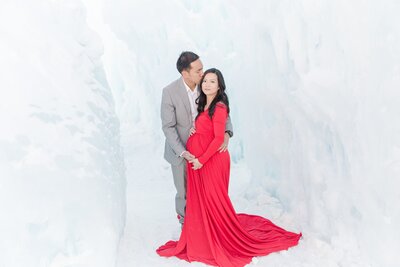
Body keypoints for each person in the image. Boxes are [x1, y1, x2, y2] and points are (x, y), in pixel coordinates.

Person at [157, 68, 302, 267]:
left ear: (219, 86)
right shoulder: (204, 103)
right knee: (204, 201)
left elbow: (218, 138)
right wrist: (195, 129)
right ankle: (206, 232)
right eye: (205, 81)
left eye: (212, 82)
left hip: (210, 162)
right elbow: (205, 127)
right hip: (198, 161)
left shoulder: (220, 106)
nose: (207, 84)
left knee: (214, 200)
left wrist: (202, 160)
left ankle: (216, 237)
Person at [161, 52, 234, 226]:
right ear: (185, 73)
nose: (203, 74)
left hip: (206, 150)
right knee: (184, 191)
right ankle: (186, 226)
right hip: (181, 151)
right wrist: (183, 152)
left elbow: (223, 109)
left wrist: (227, 133)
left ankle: (206, 225)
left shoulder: (207, 85)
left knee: (206, 191)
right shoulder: (169, 92)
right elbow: (168, 127)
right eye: (198, 71)